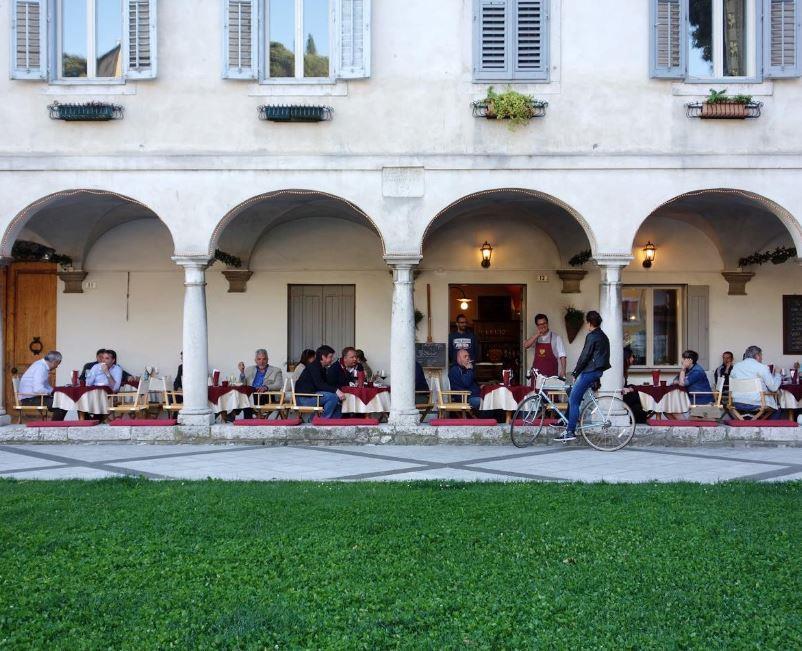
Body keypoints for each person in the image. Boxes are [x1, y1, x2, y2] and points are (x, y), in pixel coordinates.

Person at [559, 310, 610, 442]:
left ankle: (570, 431)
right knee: (572, 392)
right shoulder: (604, 336)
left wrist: (576, 372)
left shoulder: (592, 336)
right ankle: (565, 420)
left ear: (589, 323)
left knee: (574, 400)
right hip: (596, 371)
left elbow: (585, 356)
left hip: (589, 372)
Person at [227, 349, 284, 422]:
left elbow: (279, 385)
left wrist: (266, 387)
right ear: (255, 360)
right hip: (251, 395)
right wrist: (242, 373)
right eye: (259, 359)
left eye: (264, 359)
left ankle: (235, 414)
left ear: (267, 360)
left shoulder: (276, 370)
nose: (261, 362)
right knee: (244, 396)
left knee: (246, 398)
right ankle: (247, 421)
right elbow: (243, 385)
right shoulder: (249, 369)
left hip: (267, 396)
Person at [729, 345, 782, 417]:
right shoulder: (762, 367)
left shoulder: (736, 366)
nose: (762, 358)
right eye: (761, 355)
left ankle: (748, 423)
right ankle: (766, 427)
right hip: (757, 403)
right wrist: (778, 374)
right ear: (757, 356)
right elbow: (774, 388)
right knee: (777, 407)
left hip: (737, 401)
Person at [294, 345, 344, 419]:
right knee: (333, 397)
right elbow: (320, 385)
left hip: (313, 396)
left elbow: (326, 385)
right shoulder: (313, 367)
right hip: (304, 398)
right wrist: (336, 390)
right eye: (330, 357)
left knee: (339, 407)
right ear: (323, 357)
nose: (332, 359)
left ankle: (315, 420)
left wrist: (339, 389)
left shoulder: (321, 368)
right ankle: (321, 420)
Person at [18, 351, 67, 421]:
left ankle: (54, 426)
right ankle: (54, 427)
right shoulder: (41, 368)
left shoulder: (40, 364)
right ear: (55, 362)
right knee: (62, 404)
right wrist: (52, 393)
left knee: (61, 401)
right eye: (58, 364)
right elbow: (38, 389)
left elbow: (45, 386)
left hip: (32, 397)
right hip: (29, 399)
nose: (57, 366)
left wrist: (54, 391)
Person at [524, 313, 568, 380]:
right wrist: (537, 335)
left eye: (544, 323)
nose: (543, 326)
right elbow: (526, 345)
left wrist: (563, 371)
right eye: (540, 324)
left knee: (550, 390)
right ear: (537, 326)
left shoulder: (556, 337)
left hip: (551, 375)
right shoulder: (535, 338)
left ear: (547, 323)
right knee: (536, 390)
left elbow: (562, 356)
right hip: (537, 375)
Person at [621, 345, 649, 424]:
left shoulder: (624, 370)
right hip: (619, 397)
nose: (633, 359)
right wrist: (628, 389)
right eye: (632, 356)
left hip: (624, 395)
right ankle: (649, 410)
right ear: (626, 358)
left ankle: (642, 417)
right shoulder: (619, 370)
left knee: (638, 404)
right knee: (638, 395)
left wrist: (629, 388)